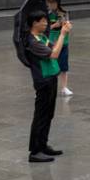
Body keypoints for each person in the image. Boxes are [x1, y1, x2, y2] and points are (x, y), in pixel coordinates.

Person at [24, 9, 70, 162]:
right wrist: (62, 33)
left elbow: (54, 46)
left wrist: (62, 33)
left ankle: (43, 145)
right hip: (43, 80)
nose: (46, 23)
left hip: (51, 77)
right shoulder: (32, 42)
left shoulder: (41, 37)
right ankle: (35, 151)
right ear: (35, 23)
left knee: (48, 114)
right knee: (41, 116)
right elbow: (54, 54)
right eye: (43, 21)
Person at [45, 0, 73, 96]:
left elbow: (67, 25)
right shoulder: (47, 14)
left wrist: (66, 24)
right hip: (51, 43)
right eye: (49, 2)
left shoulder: (64, 13)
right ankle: (45, 88)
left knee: (63, 67)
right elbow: (44, 28)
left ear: (57, 2)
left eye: (52, 2)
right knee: (50, 66)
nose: (50, 5)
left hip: (63, 43)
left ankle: (64, 87)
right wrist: (53, 25)